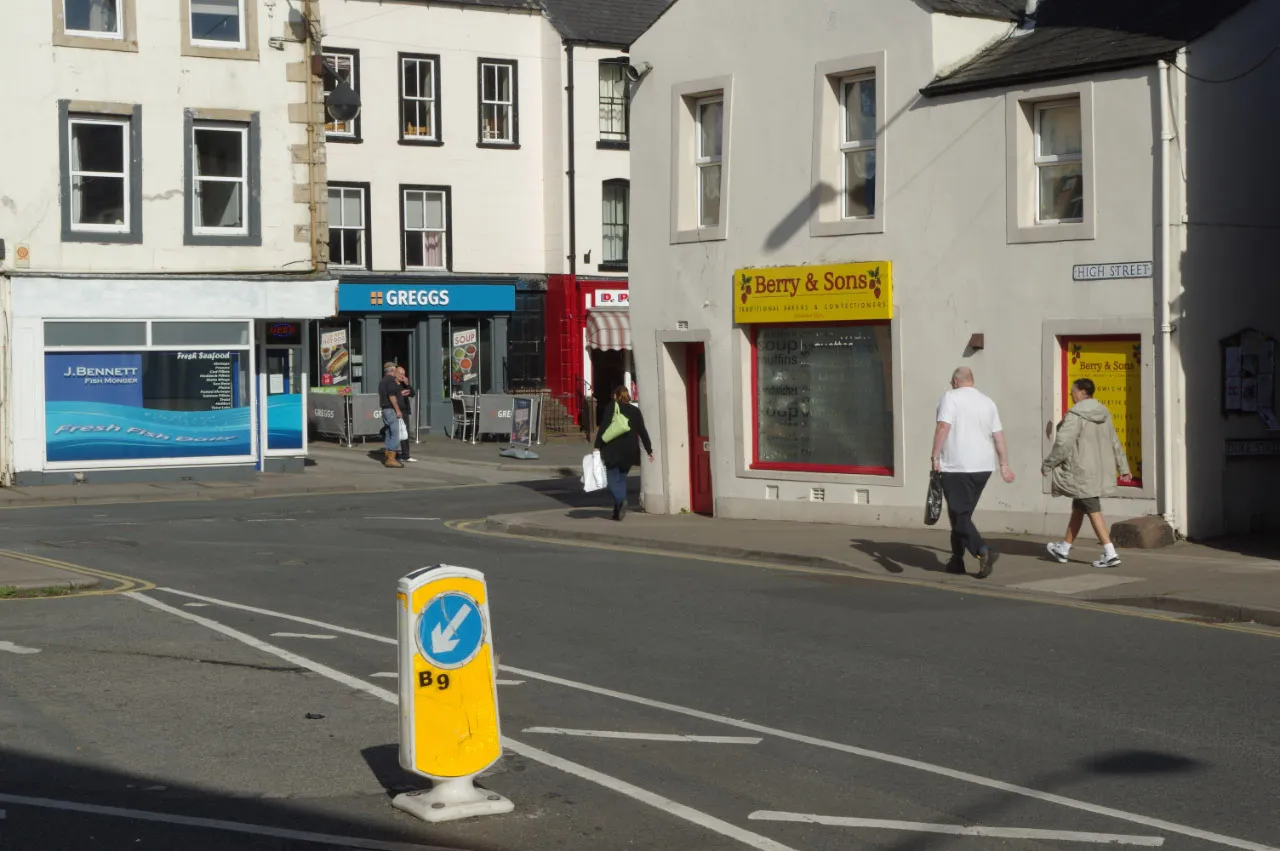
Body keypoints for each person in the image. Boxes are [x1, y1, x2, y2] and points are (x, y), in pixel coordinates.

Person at [930, 367, 1014, 578]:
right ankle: (956, 560)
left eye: (951, 382)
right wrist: (1004, 464)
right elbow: (998, 436)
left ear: (956, 381)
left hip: (957, 466)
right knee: (960, 514)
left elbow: (943, 427)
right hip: (983, 467)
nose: (951, 385)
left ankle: (982, 551)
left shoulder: (951, 397)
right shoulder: (988, 402)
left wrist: (935, 456)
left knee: (959, 515)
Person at [1043, 378, 1133, 568]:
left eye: (1073, 391)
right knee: (1079, 507)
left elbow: (1063, 443)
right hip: (1098, 470)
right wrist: (1123, 467)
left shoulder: (1075, 414)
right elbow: (1114, 440)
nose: (1071, 394)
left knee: (1092, 508)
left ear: (1083, 392)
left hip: (1081, 471)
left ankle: (1110, 552)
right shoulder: (1104, 412)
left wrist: (1049, 463)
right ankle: (1064, 548)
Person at [594, 386, 654, 521]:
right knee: (621, 479)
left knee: (611, 480)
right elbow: (642, 431)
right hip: (630, 451)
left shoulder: (611, 407)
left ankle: (621, 500)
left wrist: (597, 446)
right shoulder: (635, 411)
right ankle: (617, 513)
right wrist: (649, 450)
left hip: (613, 449)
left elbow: (603, 427)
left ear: (616, 396)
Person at [377, 362, 404, 469]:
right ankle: (391, 459)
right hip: (390, 410)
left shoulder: (382, 381)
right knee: (395, 435)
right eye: (395, 370)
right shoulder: (391, 380)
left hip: (384, 410)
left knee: (389, 433)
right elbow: (391, 396)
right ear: (392, 370)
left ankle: (388, 455)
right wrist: (397, 410)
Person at [395, 366, 418, 463]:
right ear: (396, 373)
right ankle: (392, 454)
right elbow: (391, 396)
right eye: (401, 374)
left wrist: (408, 384)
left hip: (404, 411)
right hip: (395, 410)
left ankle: (405, 455)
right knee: (394, 433)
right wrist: (400, 394)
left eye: (404, 374)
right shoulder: (393, 384)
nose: (403, 376)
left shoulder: (404, 384)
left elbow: (412, 394)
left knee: (405, 433)